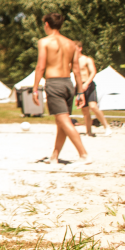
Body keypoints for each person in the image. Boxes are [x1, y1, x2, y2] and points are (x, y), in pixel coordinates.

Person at [31, 13, 87, 164]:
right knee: (61, 122)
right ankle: (54, 156)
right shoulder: (71, 44)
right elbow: (76, 70)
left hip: (54, 83)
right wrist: (80, 91)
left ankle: (84, 154)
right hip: (68, 83)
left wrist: (35, 89)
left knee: (64, 121)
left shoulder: (44, 42)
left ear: (47, 25)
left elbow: (40, 66)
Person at [74, 41, 111, 137]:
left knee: (93, 106)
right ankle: (89, 131)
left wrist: (86, 83)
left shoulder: (87, 59)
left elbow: (93, 72)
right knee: (85, 110)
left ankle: (106, 126)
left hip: (89, 84)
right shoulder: (72, 61)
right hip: (79, 86)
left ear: (80, 48)